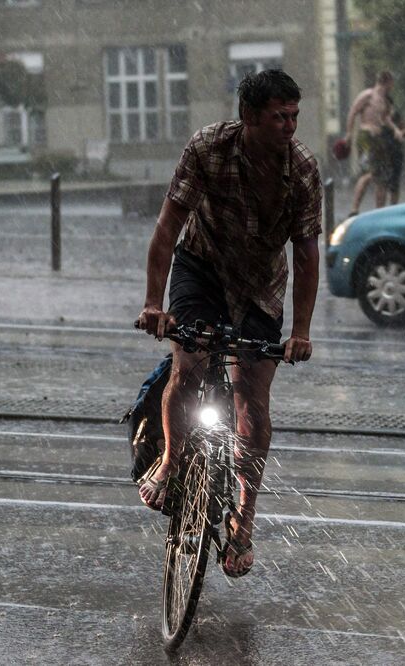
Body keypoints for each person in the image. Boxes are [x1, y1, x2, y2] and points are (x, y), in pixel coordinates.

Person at [136, 69, 321, 578]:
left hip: (262, 285)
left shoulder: (302, 169)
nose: (290, 125)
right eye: (280, 116)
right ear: (250, 117)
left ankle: (244, 517)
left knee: (253, 399)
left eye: (295, 116)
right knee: (189, 363)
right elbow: (168, 226)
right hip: (203, 268)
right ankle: (173, 462)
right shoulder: (209, 148)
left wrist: (299, 332)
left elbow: (306, 255)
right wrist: (155, 303)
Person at [344, 70, 405, 216]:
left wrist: (396, 130)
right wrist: (349, 133)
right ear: (388, 82)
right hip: (366, 136)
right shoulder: (368, 95)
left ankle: (380, 212)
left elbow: (386, 119)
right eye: (392, 83)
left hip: (379, 139)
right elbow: (353, 112)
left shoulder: (385, 100)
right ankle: (354, 209)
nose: (393, 86)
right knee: (368, 173)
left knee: (382, 177)